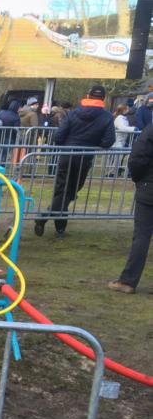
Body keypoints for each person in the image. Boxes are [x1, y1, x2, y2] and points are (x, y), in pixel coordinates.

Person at [34, 84, 115, 237]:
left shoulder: (73, 113)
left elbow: (59, 137)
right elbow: (108, 140)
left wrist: (67, 144)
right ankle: (57, 227)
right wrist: (93, 144)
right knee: (70, 191)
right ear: (103, 98)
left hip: (67, 154)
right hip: (85, 157)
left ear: (88, 96)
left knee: (62, 191)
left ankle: (48, 219)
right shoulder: (106, 117)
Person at [108, 121, 153, 294]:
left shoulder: (150, 130)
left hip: (149, 187)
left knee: (142, 236)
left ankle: (128, 281)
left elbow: (137, 158)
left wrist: (139, 179)